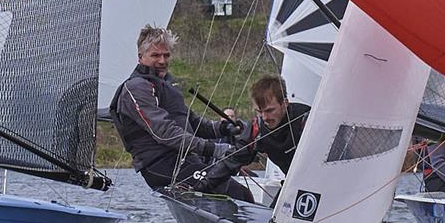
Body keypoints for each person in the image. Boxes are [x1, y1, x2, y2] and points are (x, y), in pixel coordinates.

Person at [109, 25, 253, 201]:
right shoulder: (136, 88)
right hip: (161, 166)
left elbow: (193, 122)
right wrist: (213, 149)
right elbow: (165, 132)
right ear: (140, 57)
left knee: (242, 192)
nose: (162, 60)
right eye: (155, 55)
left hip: (184, 162)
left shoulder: (166, 85)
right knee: (238, 194)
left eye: (166, 55)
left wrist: (225, 128)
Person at [236, 75, 310, 176]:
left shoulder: (306, 120)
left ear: (285, 104)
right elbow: (234, 157)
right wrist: (208, 182)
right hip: (291, 182)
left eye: (270, 110)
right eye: (259, 111)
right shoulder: (257, 127)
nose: (264, 117)